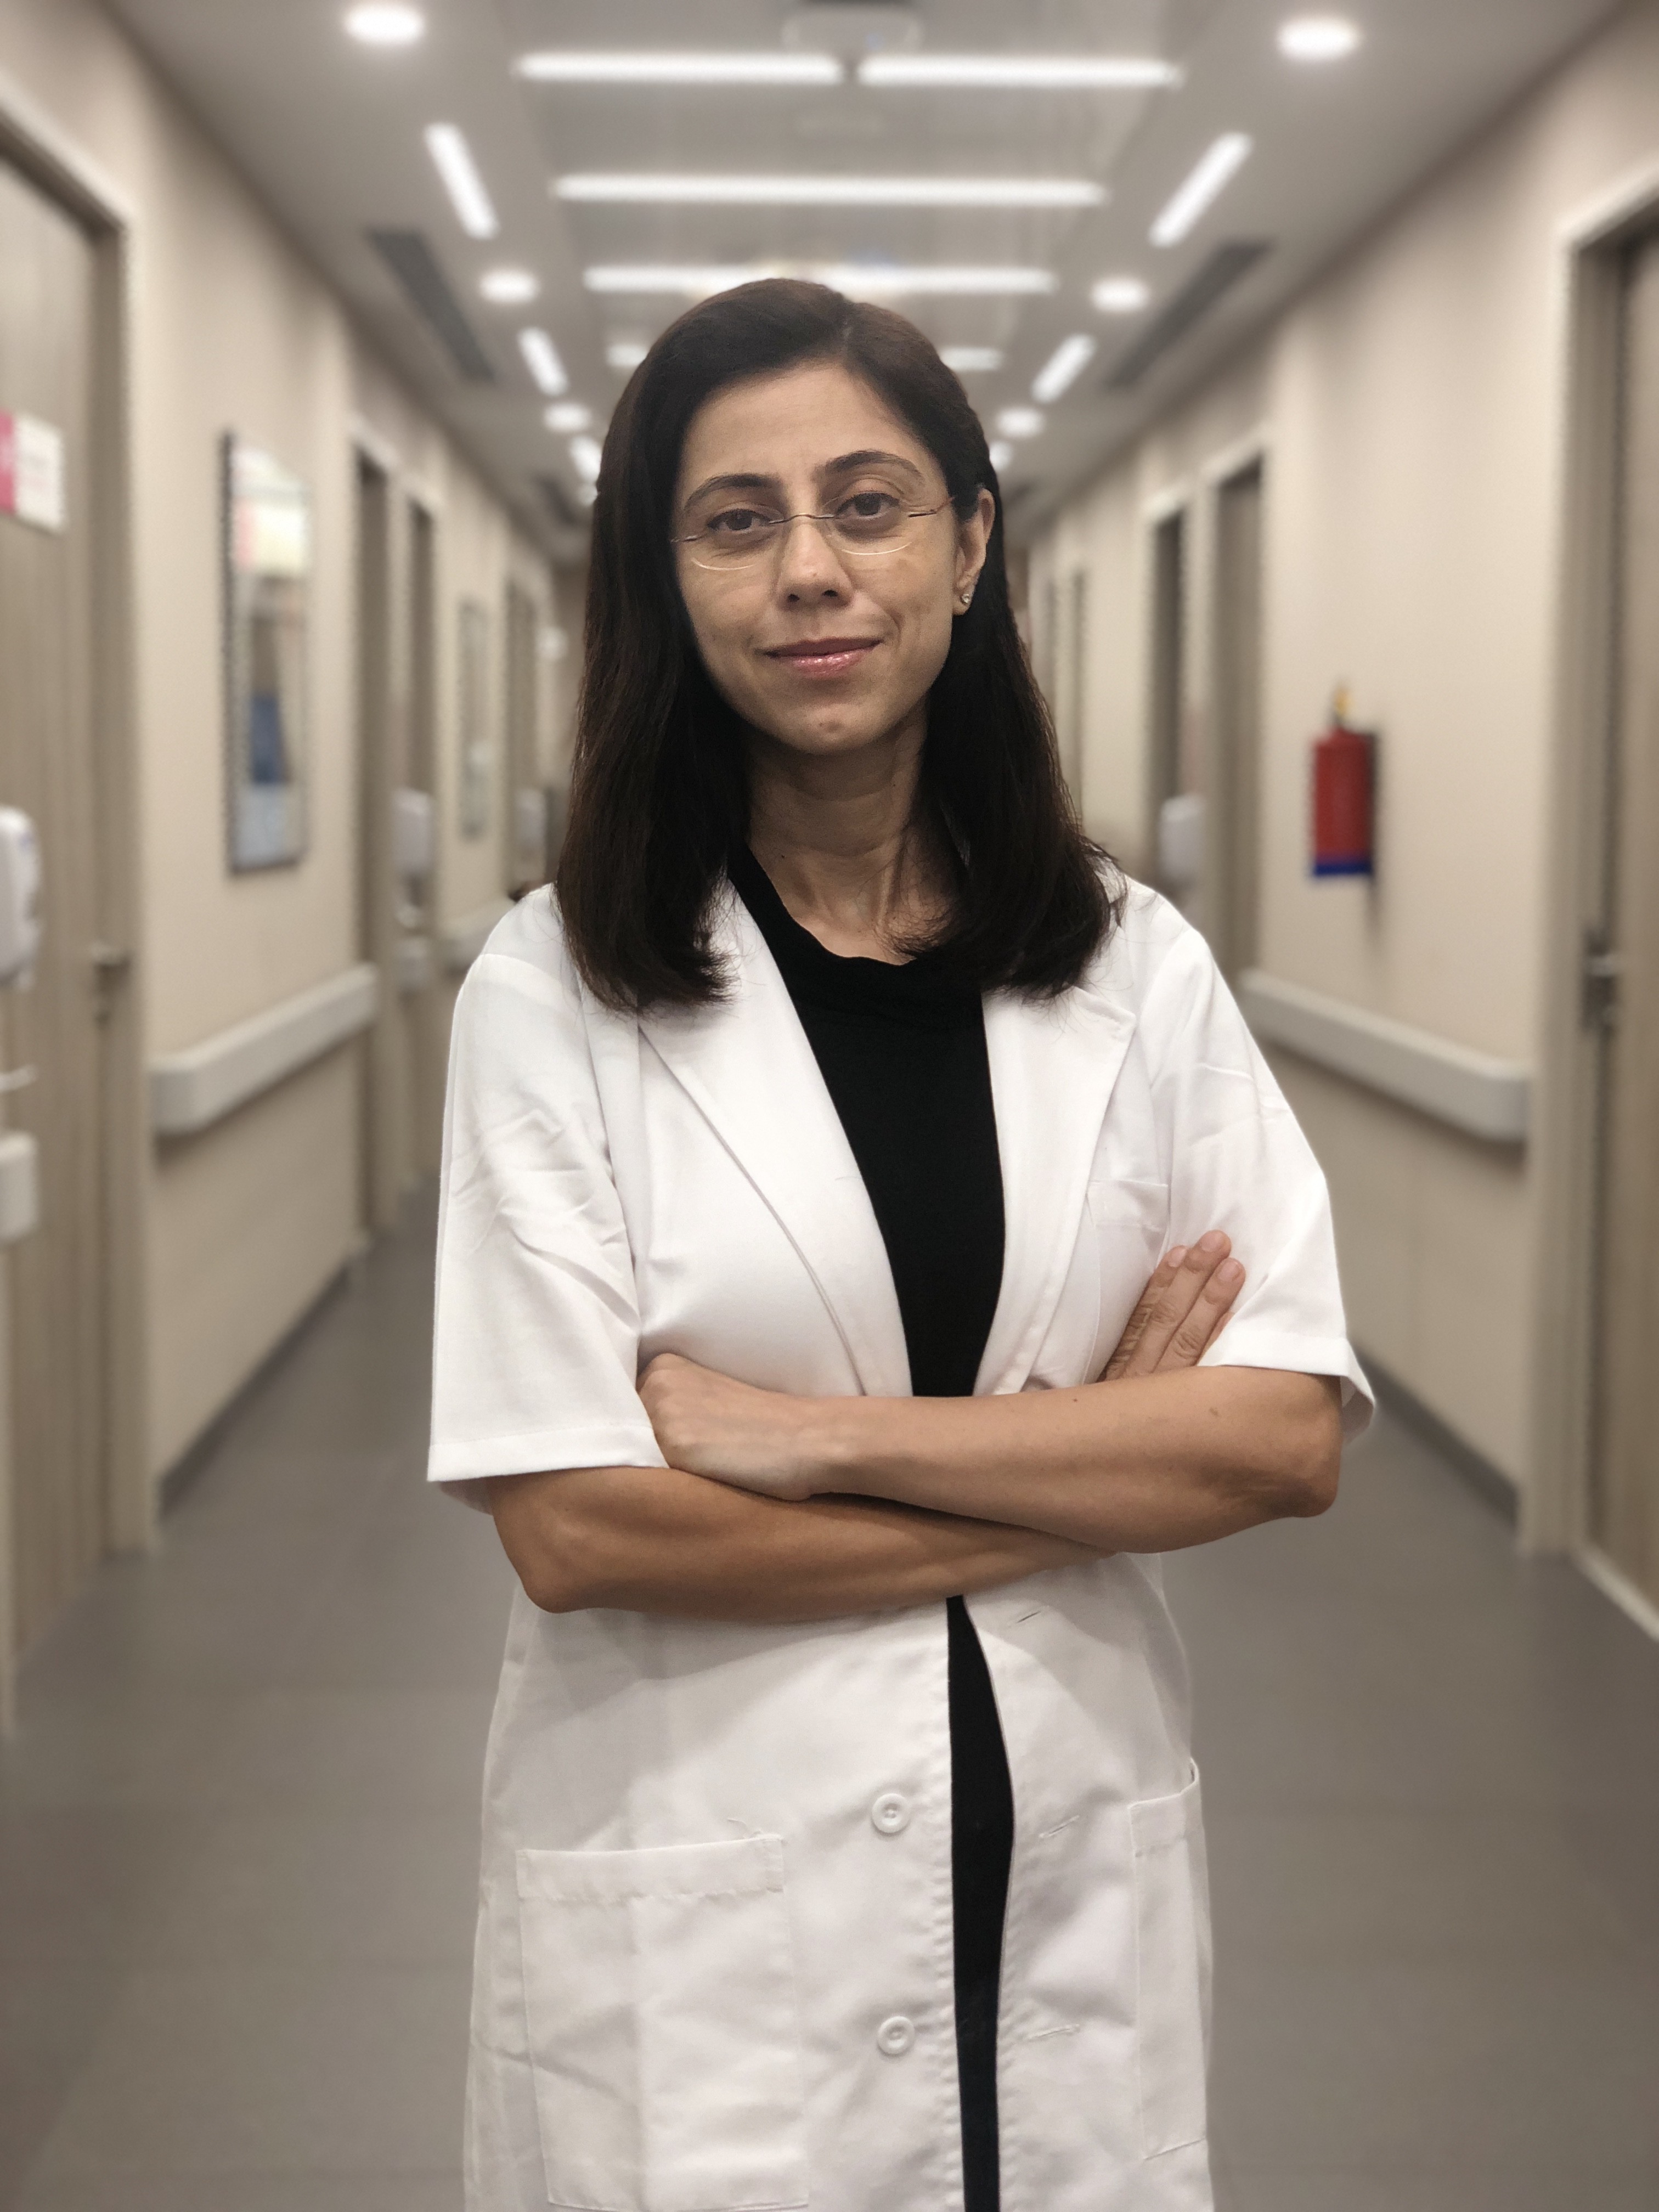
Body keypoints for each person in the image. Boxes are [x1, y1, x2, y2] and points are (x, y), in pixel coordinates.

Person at [429, 278, 1371, 2212]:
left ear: (968, 543)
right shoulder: (555, 985)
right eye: (737, 520)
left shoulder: (1133, 966)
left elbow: (1281, 1438)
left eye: (868, 504)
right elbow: (581, 1530)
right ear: (666, 578)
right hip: (711, 1901)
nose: (811, 570)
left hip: (1066, 1853)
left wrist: (811, 1439)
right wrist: (1083, 1471)